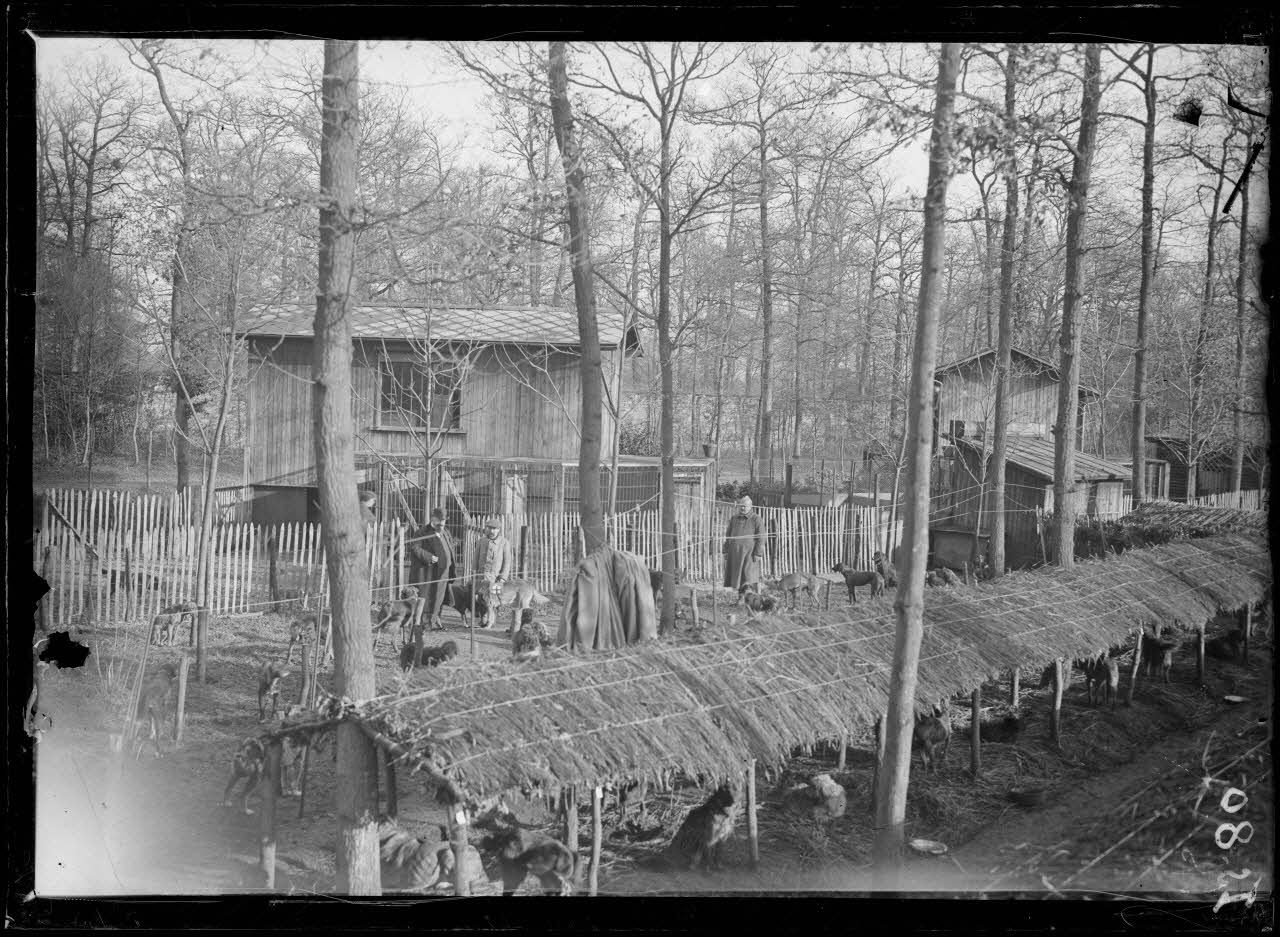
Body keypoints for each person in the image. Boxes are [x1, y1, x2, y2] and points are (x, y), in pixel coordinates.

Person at [419, 508, 455, 631]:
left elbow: (449, 547)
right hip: (431, 571)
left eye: (444, 521)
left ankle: (436, 621)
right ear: (433, 519)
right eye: (439, 521)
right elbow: (415, 548)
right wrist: (429, 557)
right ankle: (427, 624)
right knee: (430, 597)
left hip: (445, 571)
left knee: (440, 598)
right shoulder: (422, 532)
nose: (442, 524)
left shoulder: (446, 532)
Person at [723, 495, 766, 594]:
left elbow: (761, 537)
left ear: (750, 507)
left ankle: (754, 599)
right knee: (737, 576)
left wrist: (758, 553)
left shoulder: (756, 519)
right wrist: (725, 550)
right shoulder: (734, 518)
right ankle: (740, 598)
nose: (742, 508)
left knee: (749, 576)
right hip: (735, 553)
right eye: (741, 505)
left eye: (745, 506)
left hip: (749, 554)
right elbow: (728, 535)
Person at [476, 519, 512, 630]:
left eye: (495, 529)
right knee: (482, 599)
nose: (492, 531)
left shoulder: (504, 543)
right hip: (481, 578)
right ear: (486, 529)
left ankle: (492, 621)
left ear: (499, 530)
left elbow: (507, 562)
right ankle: (484, 618)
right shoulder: (481, 541)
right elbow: (475, 559)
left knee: (494, 601)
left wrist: (502, 578)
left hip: (496, 578)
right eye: (490, 528)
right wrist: (474, 573)